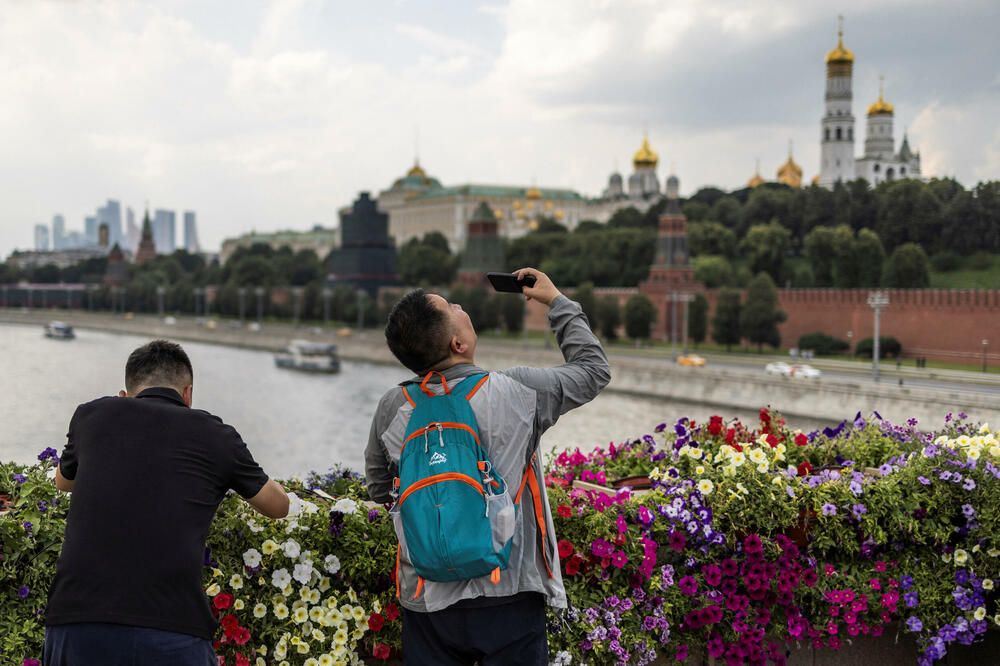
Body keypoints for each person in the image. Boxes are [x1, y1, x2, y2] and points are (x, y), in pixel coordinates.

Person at [365, 268, 610, 665]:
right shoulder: (518, 391)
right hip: (509, 590)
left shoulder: (392, 407)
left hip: (426, 596)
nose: (459, 305)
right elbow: (594, 369)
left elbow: (380, 489)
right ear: (458, 343)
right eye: (451, 306)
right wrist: (556, 301)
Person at [44, 339, 289, 665]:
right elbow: (278, 506)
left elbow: (63, 481)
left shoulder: (91, 416)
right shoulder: (215, 434)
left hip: (75, 623)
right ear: (188, 394)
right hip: (173, 628)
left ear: (124, 395)